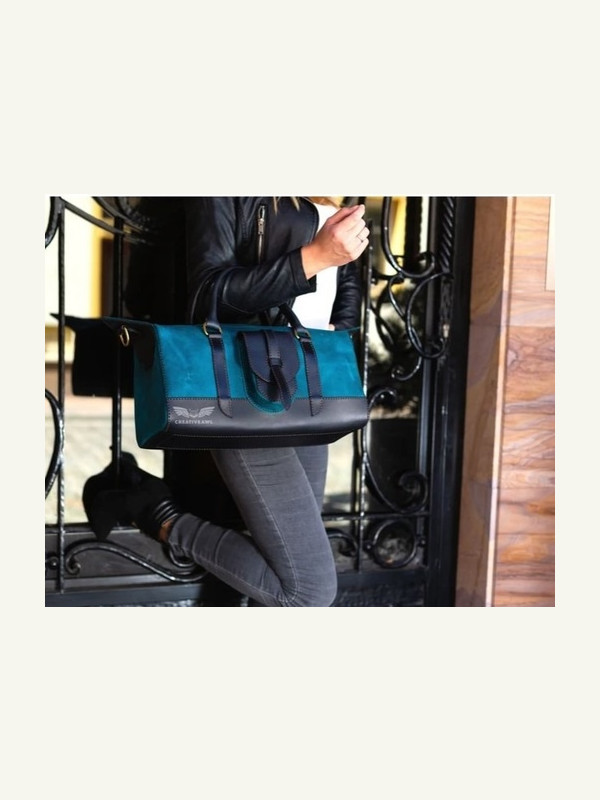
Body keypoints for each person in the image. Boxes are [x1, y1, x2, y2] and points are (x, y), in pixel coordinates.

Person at [85, 197, 369, 606]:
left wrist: (337, 327)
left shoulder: (335, 192)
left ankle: (138, 497)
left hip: (307, 382)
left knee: (280, 578)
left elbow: (346, 279)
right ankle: (152, 509)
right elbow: (209, 293)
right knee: (308, 590)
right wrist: (314, 257)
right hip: (245, 383)